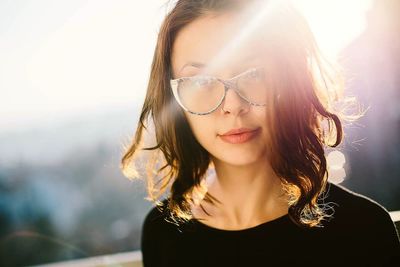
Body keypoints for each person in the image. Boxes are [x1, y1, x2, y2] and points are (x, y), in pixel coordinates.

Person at [121, 0, 400, 266]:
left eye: (254, 74)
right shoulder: (163, 234)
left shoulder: (363, 230)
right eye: (201, 81)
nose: (233, 106)